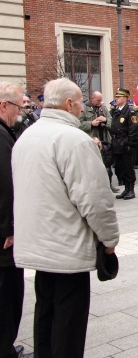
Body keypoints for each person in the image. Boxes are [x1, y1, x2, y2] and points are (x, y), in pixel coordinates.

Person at [12, 78, 119, 358]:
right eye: (80, 101)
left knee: (45, 315)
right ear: (69, 103)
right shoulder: (73, 139)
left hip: (38, 245)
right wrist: (109, 240)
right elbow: (96, 199)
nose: (82, 107)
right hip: (66, 249)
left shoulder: (28, 134)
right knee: (68, 325)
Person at [0, 82, 32, 358]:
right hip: (4, 236)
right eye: (18, 107)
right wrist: (10, 227)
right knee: (7, 293)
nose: (20, 113)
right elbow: (5, 186)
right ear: (3, 105)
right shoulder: (1, 135)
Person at [79, 91, 117, 193]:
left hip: (104, 139)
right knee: (93, 166)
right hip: (92, 140)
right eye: (98, 100)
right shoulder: (84, 109)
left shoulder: (103, 108)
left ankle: (109, 185)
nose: (100, 102)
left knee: (107, 165)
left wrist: (104, 120)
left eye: (101, 100)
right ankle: (96, 188)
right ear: (92, 99)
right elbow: (79, 124)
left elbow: (112, 121)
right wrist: (91, 123)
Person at [109, 88, 138, 200]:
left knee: (128, 167)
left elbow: (133, 129)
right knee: (119, 167)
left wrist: (130, 144)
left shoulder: (130, 112)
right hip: (116, 143)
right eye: (116, 96)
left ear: (125, 98)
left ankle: (130, 189)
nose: (116, 99)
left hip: (125, 144)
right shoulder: (116, 111)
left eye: (119, 97)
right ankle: (126, 189)